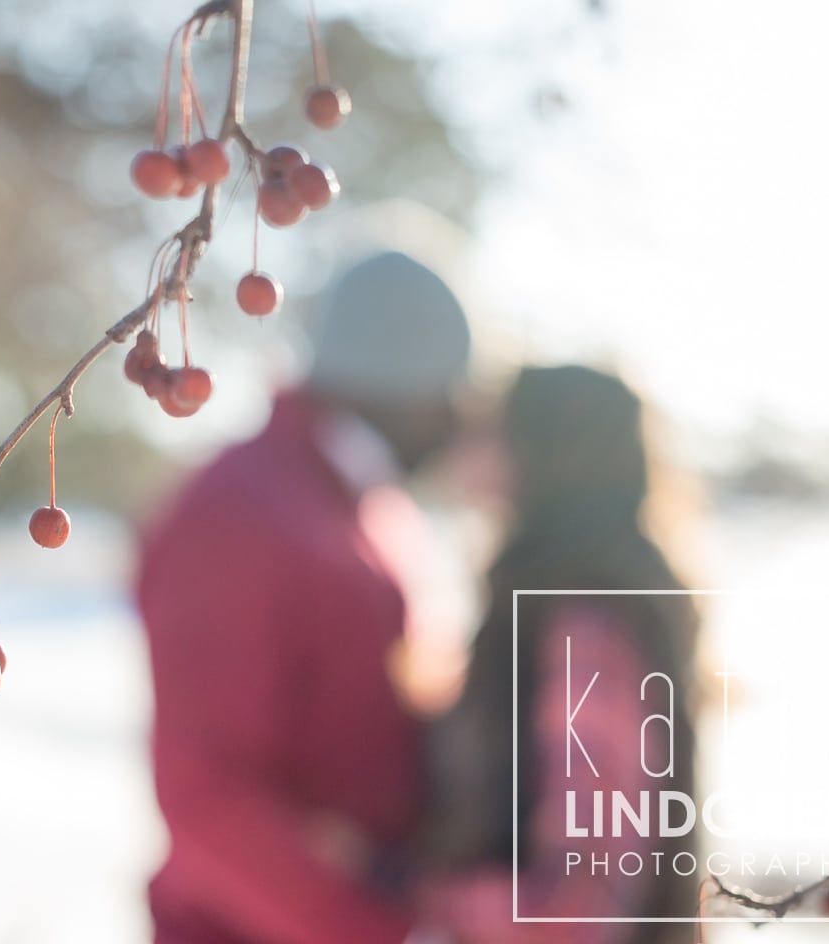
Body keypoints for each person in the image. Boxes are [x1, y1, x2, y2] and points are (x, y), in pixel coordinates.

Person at [134, 250, 473, 943]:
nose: (459, 419)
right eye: (448, 393)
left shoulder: (360, 502)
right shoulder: (240, 512)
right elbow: (207, 790)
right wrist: (369, 928)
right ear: (399, 383)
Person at [416, 366, 699, 942]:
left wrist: (418, 895)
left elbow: (577, 900)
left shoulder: (589, 624)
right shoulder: (559, 598)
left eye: (494, 427)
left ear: (544, 451)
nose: (468, 441)